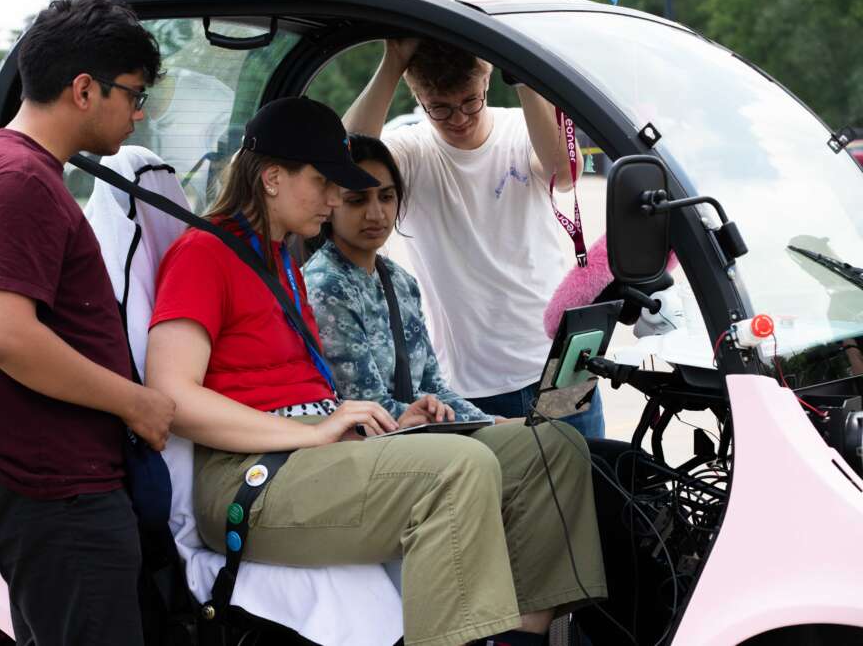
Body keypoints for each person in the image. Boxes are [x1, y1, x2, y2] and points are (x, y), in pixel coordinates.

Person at [145, 96, 606, 646]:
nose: (337, 199)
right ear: (272, 178)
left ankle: (523, 636)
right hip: (252, 475)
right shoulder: (206, 253)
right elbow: (171, 395)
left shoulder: (280, 262)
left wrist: (347, 424)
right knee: (456, 469)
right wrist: (311, 431)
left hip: (313, 453)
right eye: (325, 183)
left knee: (550, 448)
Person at [0, 0, 174, 646]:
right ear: (83, 89)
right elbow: (3, 336)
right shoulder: (20, 180)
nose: (139, 111)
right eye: (132, 93)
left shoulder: (7, 168)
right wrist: (135, 401)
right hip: (54, 490)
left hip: (47, 481)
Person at [344, 39, 606, 438]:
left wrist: (522, 75)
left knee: (589, 484)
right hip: (468, 386)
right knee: (497, 497)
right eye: (440, 108)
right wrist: (393, 63)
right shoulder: (412, 151)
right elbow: (345, 163)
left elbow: (564, 172)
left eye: (470, 101)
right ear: (418, 97)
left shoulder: (522, 128)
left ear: (486, 79)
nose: (459, 118)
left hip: (559, 367)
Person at [304, 134, 520, 425]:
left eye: (387, 196)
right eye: (357, 200)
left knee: (546, 439)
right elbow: (368, 405)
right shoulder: (326, 284)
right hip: (375, 442)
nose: (376, 213)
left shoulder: (399, 281)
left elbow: (434, 386)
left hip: (421, 431)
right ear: (330, 206)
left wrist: (490, 422)